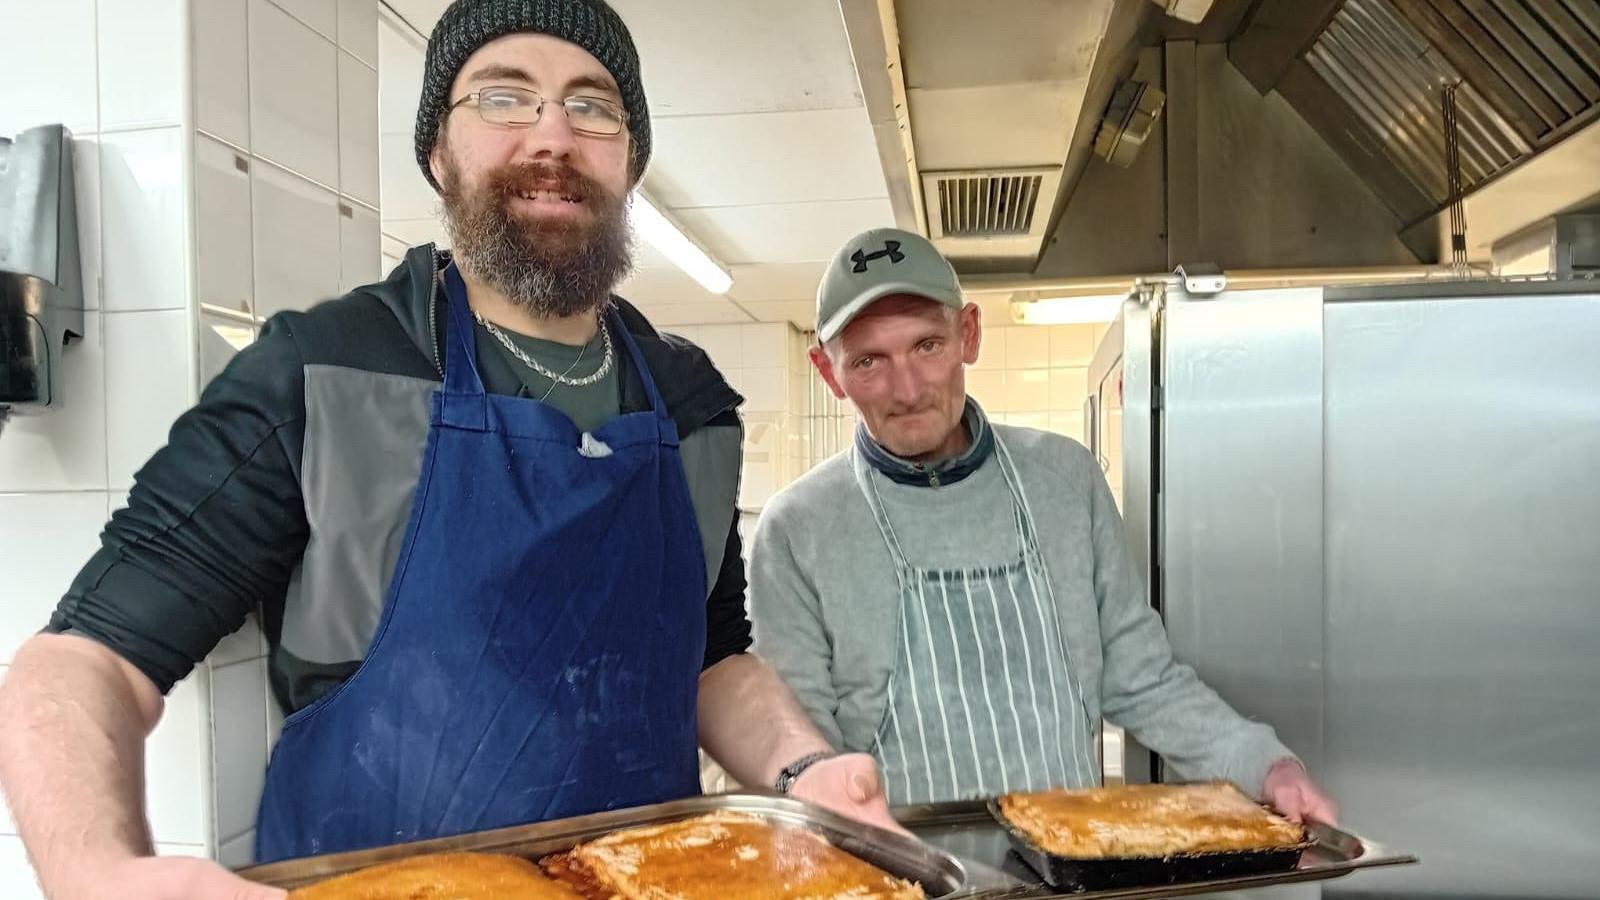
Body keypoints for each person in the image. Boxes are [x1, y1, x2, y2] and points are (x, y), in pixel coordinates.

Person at [0, 4, 892, 898]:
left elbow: (714, 658)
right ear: (437, 150)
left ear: (630, 160)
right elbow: (84, 658)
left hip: (637, 882)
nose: (553, 135)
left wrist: (801, 773)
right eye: (505, 97)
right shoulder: (324, 373)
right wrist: (98, 872)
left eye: (593, 106)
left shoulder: (693, 404)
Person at [748, 227, 1338, 822]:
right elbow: (804, 753)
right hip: (898, 878)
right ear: (829, 372)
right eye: (870, 361)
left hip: (1072, 866)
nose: (907, 389)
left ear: (968, 335)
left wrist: (1263, 764)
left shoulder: (1064, 480)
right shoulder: (798, 530)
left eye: (927, 346)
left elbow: (1142, 677)